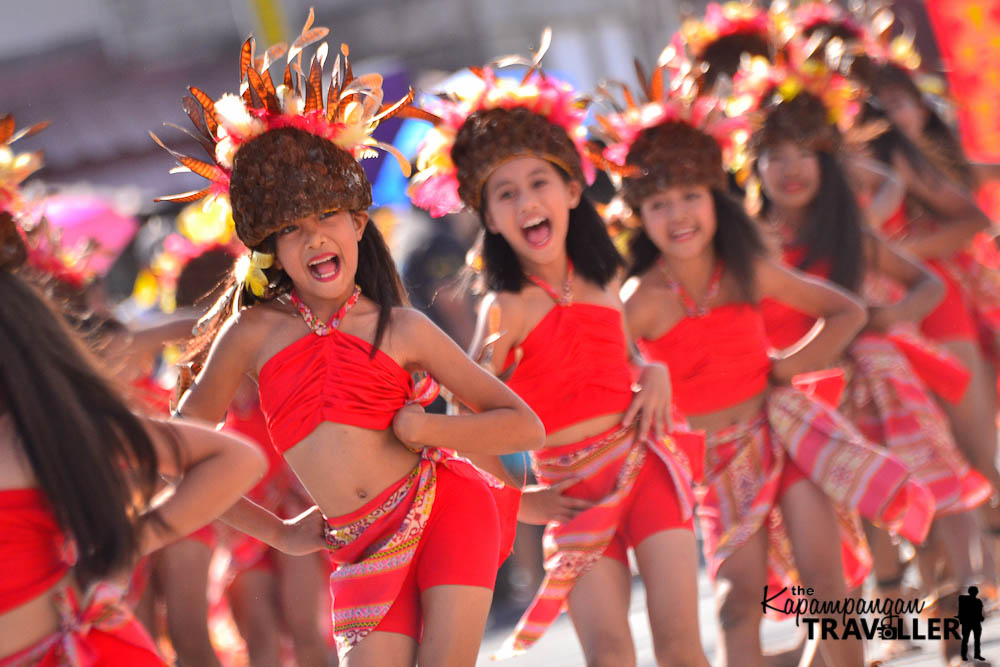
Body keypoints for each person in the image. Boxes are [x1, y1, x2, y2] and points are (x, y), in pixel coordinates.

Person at [157, 16, 543, 666]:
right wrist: (275, 533)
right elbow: (179, 451)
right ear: (269, 247)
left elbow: (522, 425)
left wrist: (428, 432)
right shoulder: (250, 332)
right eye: (292, 227)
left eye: (328, 218)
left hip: (447, 509)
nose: (314, 238)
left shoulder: (403, 326)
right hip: (356, 546)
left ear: (360, 223)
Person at [601, 67, 931, 667]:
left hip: (781, 436)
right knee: (736, 602)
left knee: (827, 587)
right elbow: (608, 384)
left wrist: (787, 366)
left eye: (691, 197)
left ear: (715, 199)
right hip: (710, 463)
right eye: (658, 203)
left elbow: (845, 311)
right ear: (636, 217)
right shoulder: (640, 301)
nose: (678, 215)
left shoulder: (745, 268)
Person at [409, 43, 707, 666]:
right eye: (505, 194)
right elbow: (466, 428)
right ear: (487, 216)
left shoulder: (605, 280)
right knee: (609, 654)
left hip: (643, 469)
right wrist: (521, 500)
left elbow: (625, 356)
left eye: (538, 183)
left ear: (572, 189)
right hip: (568, 494)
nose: (526, 203)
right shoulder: (504, 309)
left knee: (681, 645)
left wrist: (650, 371)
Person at [0, 117, 267, 663]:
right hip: (110, 510)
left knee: (192, 632)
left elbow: (232, 458)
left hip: (137, 510)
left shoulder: (45, 424)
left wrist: (132, 541)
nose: (98, 299)